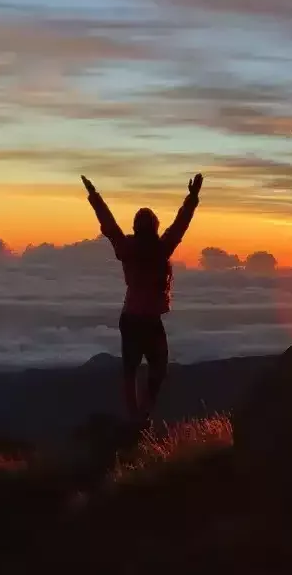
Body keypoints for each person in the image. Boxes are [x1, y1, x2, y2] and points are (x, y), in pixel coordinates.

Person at [81, 173, 203, 425]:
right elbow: (181, 224)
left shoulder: (129, 248)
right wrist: (192, 198)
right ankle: (141, 416)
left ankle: (137, 417)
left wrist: (94, 196)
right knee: (154, 370)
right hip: (146, 320)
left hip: (132, 318)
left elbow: (109, 224)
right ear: (155, 225)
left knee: (133, 370)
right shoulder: (160, 249)